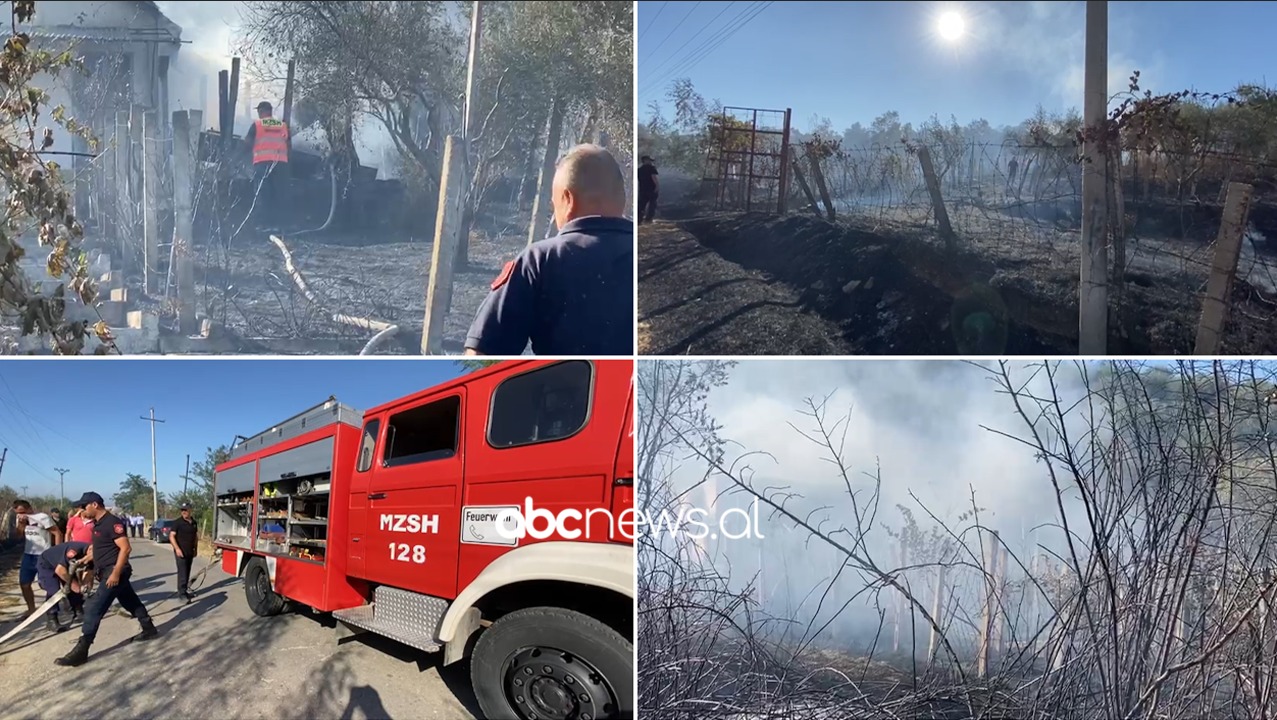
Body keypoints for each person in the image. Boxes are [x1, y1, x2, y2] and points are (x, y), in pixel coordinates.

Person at [464, 144, 633, 356]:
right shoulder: (654, 254)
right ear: (623, 199)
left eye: (554, 205)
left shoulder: (539, 260)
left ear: (568, 200)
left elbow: (482, 356)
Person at [55, 492, 158, 667]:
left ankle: (82, 649)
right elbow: (101, 548)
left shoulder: (112, 523)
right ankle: (148, 628)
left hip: (115, 572)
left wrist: (116, 573)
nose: (81, 510)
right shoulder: (98, 524)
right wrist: (86, 560)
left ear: (94, 505)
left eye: (83, 506)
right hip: (107, 571)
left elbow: (125, 548)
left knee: (94, 608)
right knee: (130, 600)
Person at [243, 100, 291, 231]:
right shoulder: (281, 125)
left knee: (262, 194)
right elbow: (288, 143)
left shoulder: (257, 125)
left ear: (261, 111)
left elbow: (247, 144)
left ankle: (262, 225)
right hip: (280, 164)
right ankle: (278, 225)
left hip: (262, 163)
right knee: (278, 194)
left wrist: (241, 155)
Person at [15, 499, 63, 616]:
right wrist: (21, 524)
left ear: (29, 508)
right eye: (17, 512)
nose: (20, 515)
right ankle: (31, 608)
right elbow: (18, 536)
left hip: (43, 554)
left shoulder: (42, 517)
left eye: (22, 511)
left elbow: (57, 533)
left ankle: (52, 611)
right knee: (24, 584)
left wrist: (56, 552)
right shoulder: (20, 519)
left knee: (47, 584)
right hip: (28, 554)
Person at [36, 540, 90, 632]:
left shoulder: (92, 554)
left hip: (64, 565)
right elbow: (60, 570)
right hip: (47, 564)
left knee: (73, 584)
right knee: (53, 590)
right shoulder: (73, 551)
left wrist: (85, 586)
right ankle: (52, 620)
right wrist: (75, 586)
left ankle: (78, 610)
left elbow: (90, 572)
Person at [170, 503, 198, 602]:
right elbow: (171, 536)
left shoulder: (194, 522)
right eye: (182, 510)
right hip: (180, 552)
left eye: (186, 510)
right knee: (182, 573)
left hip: (190, 551)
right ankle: (181, 594)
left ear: (190, 510)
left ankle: (185, 591)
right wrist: (177, 548)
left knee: (187, 572)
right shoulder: (177, 522)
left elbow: (195, 537)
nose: (184, 512)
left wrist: (196, 549)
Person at [637, 155, 659, 224]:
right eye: (649, 160)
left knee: (641, 205)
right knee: (652, 204)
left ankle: (639, 219)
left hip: (642, 190)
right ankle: (649, 219)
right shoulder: (652, 168)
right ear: (646, 160)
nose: (651, 162)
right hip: (652, 189)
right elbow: (654, 177)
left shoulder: (639, 170)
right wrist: (657, 186)